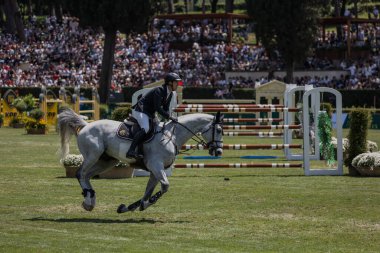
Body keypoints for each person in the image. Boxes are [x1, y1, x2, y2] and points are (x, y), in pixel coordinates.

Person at [126, 72, 182, 159]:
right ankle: (131, 150)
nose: (178, 84)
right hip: (141, 110)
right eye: (176, 82)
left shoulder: (170, 94)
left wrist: (169, 119)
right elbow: (158, 108)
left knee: (158, 128)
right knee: (146, 128)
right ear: (170, 82)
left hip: (150, 113)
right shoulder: (159, 90)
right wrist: (170, 117)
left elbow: (165, 108)